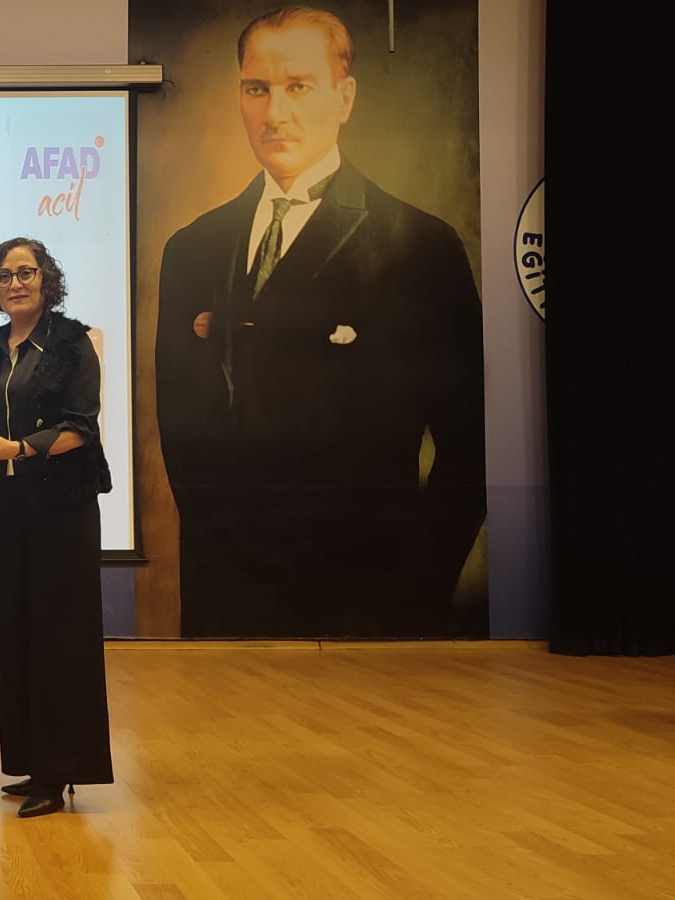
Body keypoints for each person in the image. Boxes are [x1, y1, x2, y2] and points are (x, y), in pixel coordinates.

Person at [154, 6, 487, 639]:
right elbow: (180, 426)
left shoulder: (419, 244)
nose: (275, 112)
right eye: (258, 88)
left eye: (299, 87)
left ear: (345, 97)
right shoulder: (191, 247)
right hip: (226, 604)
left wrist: (417, 587)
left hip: (366, 606)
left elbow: (469, 447)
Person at [0, 237, 114, 818]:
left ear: (46, 279)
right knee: (13, 629)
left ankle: (60, 768)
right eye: (4, 275)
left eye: (26, 272)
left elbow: (80, 428)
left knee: (59, 637)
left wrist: (18, 448)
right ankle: (30, 759)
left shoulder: (71, 343)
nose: (15, 283)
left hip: (60, 510)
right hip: (3, 508)